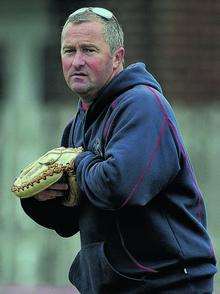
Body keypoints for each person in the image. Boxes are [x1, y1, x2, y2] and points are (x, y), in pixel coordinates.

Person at [21, 7, 217, 293]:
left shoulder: (142, 106)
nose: (77, 61)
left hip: (166, 283)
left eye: (88, 50)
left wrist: (80, 163)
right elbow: (68, 221)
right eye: (69, 51)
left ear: (117, 57)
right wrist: (40, 199)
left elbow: (119, 187)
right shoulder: (78, 124)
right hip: (116, 285)